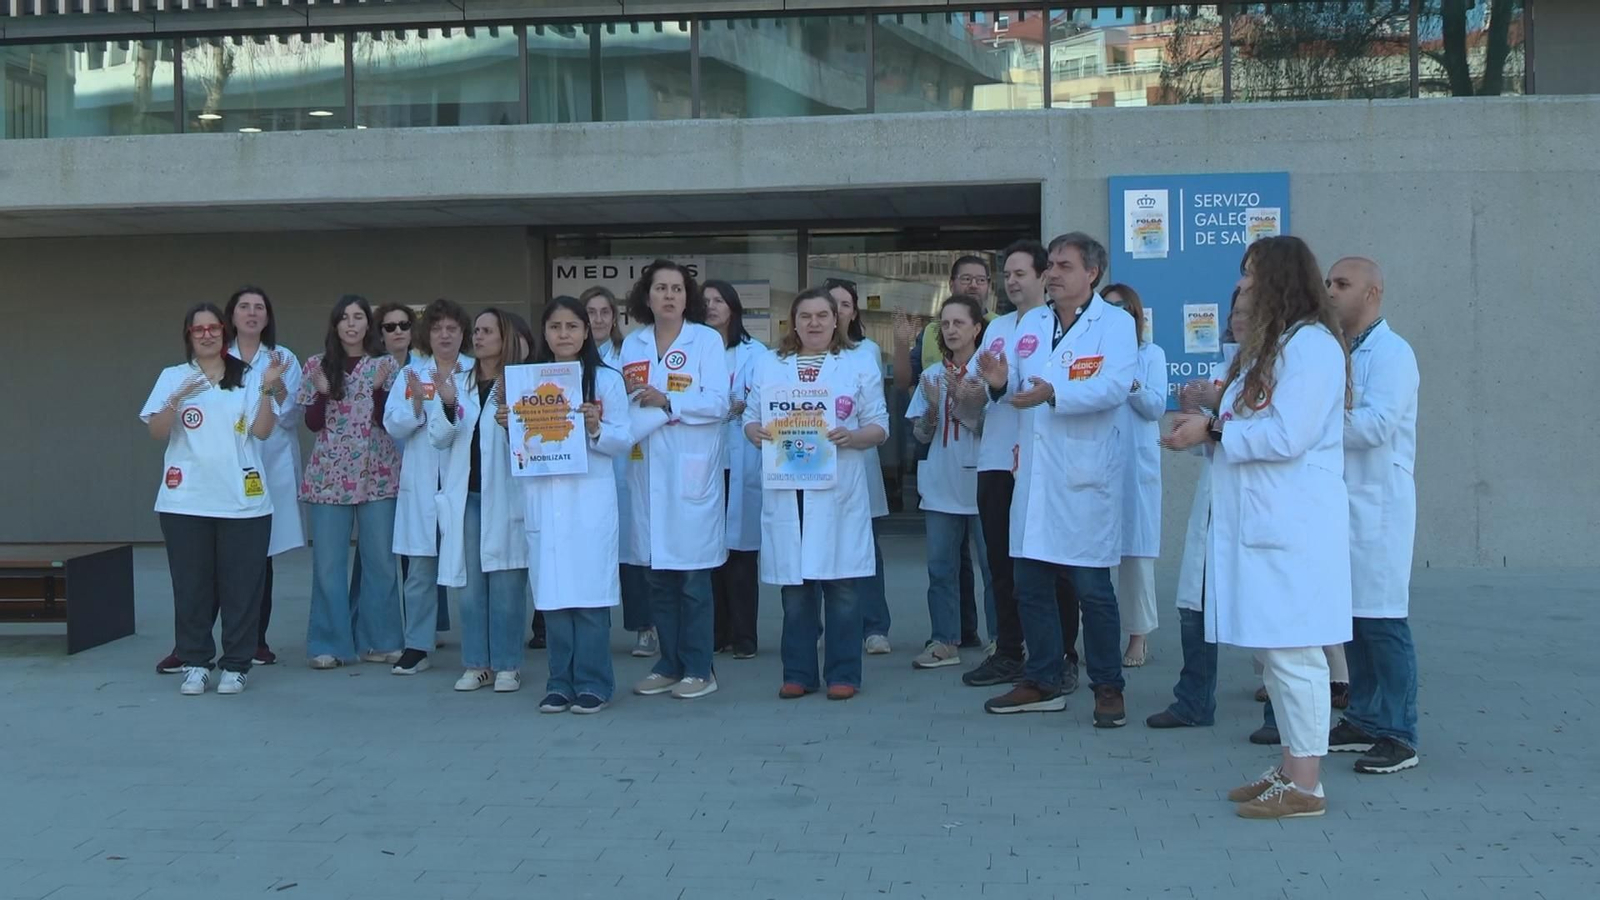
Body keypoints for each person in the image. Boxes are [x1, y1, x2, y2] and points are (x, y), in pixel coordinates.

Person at [1163, 235, 1353, 819]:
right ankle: (1290, 767)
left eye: (1250, 275)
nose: (1241, 285)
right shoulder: (1272, 346)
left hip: (1294, 526)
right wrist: (1206, 426)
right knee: (1276, 654)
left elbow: (1289, 435)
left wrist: (1213, 430)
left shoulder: (1313, 346)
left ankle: (1308, 785)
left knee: (1296, 653)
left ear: (1278, 280)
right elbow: (1244, 424)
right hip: (1264, 522)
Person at [976, 232, 1136, 726]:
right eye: (1051, 266)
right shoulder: (1033, 323)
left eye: (1065, 266)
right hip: (1035, 474)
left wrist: (1053, 394)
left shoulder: (1116, 324)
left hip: (1085, 475)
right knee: (1030, 585)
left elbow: (1113, 386)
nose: (1054, 274)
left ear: (1092, 273)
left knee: (1092, 589)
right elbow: (1017, 386)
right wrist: (999, 383)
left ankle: (1108, 687)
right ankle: (1042, 679)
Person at [744, 287, 888, 700]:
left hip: (837, 490)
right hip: (788, 490)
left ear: (836, 319)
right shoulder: (770, 363)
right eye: (805, 316)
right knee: (796, 591)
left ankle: (843, 673)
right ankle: (798, 673)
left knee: (842, 588)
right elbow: (750, 419)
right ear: (793, 322)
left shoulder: (857, 363)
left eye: (822, 315)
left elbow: (880, 426)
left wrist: (853, 437)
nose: (814, 323)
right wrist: (755, 432)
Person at [141, 303, 289, 695]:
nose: (206, 335)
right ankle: (195, 662)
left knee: (242, 588)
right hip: (185, 501)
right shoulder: (173, 376)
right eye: (198, 329)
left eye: (213, 328)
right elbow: (157, 431)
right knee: (192, 587)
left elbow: (262, 431)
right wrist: (176, 399)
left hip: (243, 502)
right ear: (188, 335)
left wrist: (268, 388)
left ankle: (237, 665)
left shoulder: (249, 376)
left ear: (224, 332)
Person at [961, 240, 1082, 690]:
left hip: (1041, 462)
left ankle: (1063, 655)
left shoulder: (1059, 325)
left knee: (1053, 566)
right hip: (995, 459)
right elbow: (978, 389)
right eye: (1006, 274)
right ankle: (1009, 651)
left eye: (1020, 274)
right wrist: (978, 389)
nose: (1011, 282)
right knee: (1000, 563)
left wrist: (1002, 386)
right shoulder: (996, 328)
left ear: (1043, 276)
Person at [1323, 256, 1421, 774]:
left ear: (1373, 293)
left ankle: (1400, 733)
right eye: (1328, 282)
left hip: (1379, 505)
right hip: (1342, 503)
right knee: (1352, 618)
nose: (1331, 291)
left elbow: (1377, 425)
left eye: (1343, 283)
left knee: (1383, 621)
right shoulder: (1336, 349)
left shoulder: (1393, 353)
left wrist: (1314, 420)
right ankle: (1361, 717)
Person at [621, 260, 731, 701]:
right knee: (657, 578)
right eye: (661, 288)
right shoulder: (633, 344)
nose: (669, 296)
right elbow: (625, 403)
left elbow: (719, 402)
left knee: (692, 580)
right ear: (646, 297)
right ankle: (668, 663)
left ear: (688, 298)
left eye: (677, 289)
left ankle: (700, 668)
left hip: (690, 470)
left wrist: (669, 400)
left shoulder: (705, 341)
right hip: (646, 467)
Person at [520, 297, 633, 713]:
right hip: (546, 501)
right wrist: (509, 425)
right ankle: (559, 683)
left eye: (572, 326)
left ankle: (594, 683)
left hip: (589, 503)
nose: (563, 334)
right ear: (545, 333)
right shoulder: (527, 381)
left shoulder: (606, 380)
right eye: (555, 327)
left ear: (586, 332)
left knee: (588, 598)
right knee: (553, 598)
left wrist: (597, 427)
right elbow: (522, 447)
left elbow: (624, 439)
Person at [1146, 294, 1241, 730]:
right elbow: (1208, 442)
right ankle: (1194, 701)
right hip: (1214, 499)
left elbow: (1272, 433)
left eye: (1249, 310)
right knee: (1195, 606)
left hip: (1259, 503)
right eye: (1235, 311)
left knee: (1270, 612)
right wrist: (1190, 421)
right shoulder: (1223, 369)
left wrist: (1216, 409)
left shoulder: (1280, 366)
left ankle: (1279, 716)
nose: (1239, 319)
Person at [298, 295, 404, 670]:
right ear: (335, 325)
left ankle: (380, 641)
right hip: (329, 475)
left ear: (368, 325)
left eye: (359, 317)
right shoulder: (316, 365)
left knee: (381, 562)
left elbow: (388, 421)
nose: (352, 324)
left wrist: (378, 389)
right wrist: (321, 393)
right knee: (328, 564)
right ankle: (328, 644)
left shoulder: (386, 365)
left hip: (378, 472)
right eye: (344, 317)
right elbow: (312, 423)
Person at [894, 255, 994, 649]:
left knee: (993, 568)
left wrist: (967, 407)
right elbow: (920, 435)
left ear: (977, 328)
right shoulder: (932, 375)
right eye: (946, 324)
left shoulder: (992, 374)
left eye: (959, 324)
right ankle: (944, 640)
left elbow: (994, 430)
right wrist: (934, 411)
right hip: (941, 484)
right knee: (940, 568)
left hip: (984, 483)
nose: (951, 330)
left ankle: (1002, 641)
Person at [439, 308, 531, 693]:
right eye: (476, 331)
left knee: (507, 584)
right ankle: (477, 664)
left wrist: (514, 425)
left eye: (487, 331)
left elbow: (534, 445)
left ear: (504, 337)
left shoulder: (521, 383)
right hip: (467, 498)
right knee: (471, 588)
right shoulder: (458, 381)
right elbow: (438, 437)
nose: (478, 337)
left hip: (506, 496)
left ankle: (507, 665)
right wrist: (446, 406)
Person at [384, 298, 476, 676]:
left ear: (463, 334)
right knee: (420, 569)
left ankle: (479, 645)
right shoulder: (412, 374)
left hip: (463, 480)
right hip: (422, 481)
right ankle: (417, 646)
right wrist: (418, 408)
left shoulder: (474, 373)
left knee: (472, 568)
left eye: (452, 329)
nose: (444, 336)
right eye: (437, 329)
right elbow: (392, 423)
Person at [584, 284, 657, 658]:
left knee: (631, 548)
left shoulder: (627, 355)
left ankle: (644, 627)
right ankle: (590, 629)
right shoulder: (569, 362)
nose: (598, 319)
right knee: (591, 550)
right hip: (583, 466)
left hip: (624, 461)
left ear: (614, 317)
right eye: (591, 312)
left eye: (604, 312)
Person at [1100, 283, 1168, 668]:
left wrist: (1132, 382)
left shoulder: (1151, 354)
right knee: (1093, 555)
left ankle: (1138, 636)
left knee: (1136, 554)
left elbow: (1156, 406)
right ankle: (1097, 636)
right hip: (1099, 460)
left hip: (1136, 463)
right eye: (1108, 308)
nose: (1117, 314)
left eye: (1123, 308)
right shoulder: (1094, 354)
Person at [823, 277, 892, 654]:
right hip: (816, 467)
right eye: (830, 304)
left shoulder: (867, 351)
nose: (837, 311)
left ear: (854, 312)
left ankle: (874, 626)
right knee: (822, 547)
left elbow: (873, 414)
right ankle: (830, 627)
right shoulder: (803, 355)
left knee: (866, 547)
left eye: (844, 305)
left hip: (858, 460)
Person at [703, 280, 767, 659]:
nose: (712, 306)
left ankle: (744, 636)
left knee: (742, 554)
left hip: (742, 459)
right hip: (706, 462)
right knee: (711, 551)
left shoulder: (756, 353)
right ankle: (716, 633)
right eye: (705, 301)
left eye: (719, 300)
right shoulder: (693, 350)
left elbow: (762, 400)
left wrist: (737, 407)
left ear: (733, 307)